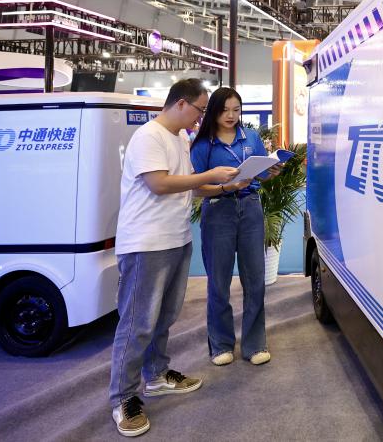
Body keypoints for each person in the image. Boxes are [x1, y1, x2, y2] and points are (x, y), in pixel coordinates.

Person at [109, 78, 240, 438]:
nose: (202, 117)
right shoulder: (148, 137)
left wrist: (226, 186)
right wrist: (209, 175)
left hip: (176, 238)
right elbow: (160, 184)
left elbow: (191, 187)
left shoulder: (180, 138)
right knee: (137, 323)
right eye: (200, 109)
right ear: (181, 103)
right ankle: (123, 397)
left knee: (164, 317)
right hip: (146, 244)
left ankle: (155, 375)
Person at [190, 87, 279, 367]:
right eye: (225, 110)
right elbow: (196, 189)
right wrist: (226, 187)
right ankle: (220, 344)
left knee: (255, 279)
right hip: (219, 209)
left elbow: (261, 175)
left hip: (250, 207)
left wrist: (271, 172)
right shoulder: (203, 144)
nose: (231, 115)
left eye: (236, 110)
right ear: (214, 111)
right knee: (219, 281)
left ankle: (254, 344)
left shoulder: (251, 137)